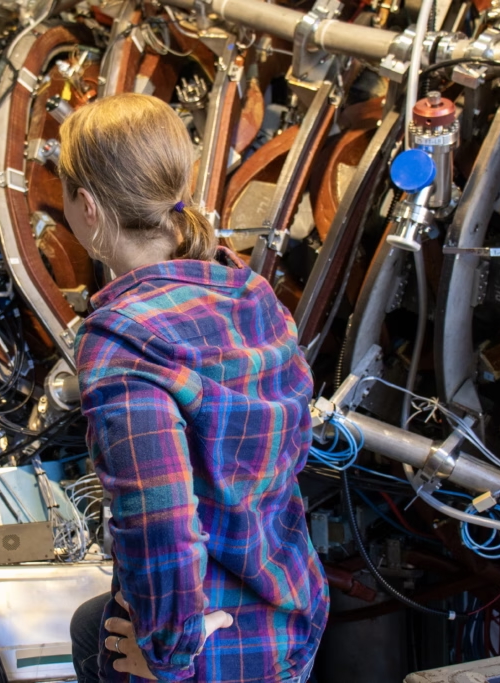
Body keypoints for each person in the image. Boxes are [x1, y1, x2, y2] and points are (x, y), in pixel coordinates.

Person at [62, 93, 329, 682]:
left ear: (87, 207)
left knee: (105, 638)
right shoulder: (251, 290)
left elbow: (159, 520)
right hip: (291, 614)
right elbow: (292, 450)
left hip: (216, 654)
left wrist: (168, 658)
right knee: (91, 626)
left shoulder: (122, 337)